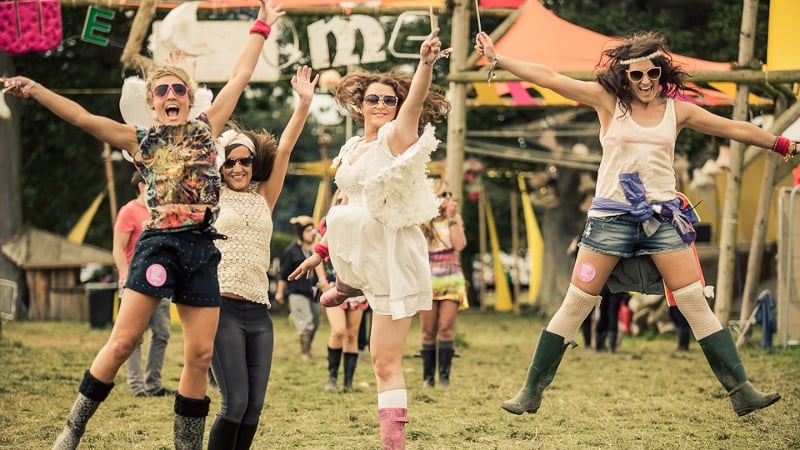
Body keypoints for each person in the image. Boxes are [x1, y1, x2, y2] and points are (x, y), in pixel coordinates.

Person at [3, 2, 284, 448]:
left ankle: (186, 445)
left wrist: (262, 25)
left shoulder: (208, 129)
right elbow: (80, 117)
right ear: (153, 102)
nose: (171, 95)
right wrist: (35, 87)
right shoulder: (140, 140)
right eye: (162, 91)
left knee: (200, 355)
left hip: (202, 249)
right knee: (122, 342)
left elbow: (241, 76)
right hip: (158, 247)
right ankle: (72, 428)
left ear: (189, 98)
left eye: (178, 89)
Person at [475, 30, 786, 417]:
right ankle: (530, 392)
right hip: (610, 220)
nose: (643, 83)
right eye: (635, 76)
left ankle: (741, 391)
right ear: (624, 76)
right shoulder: (608, 102)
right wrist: (499, 58)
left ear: (661, 73)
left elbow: (733, 128)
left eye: (651, 74)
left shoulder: (679, 110)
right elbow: (550, 77)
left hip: (662, 220)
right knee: (576, 303)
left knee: (692, 300)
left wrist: (783, 144)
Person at [288, 28, 451, 449]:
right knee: (346, 216)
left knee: (382, 360)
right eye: (373, 99)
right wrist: (319, 252)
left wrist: (426, 64)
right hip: (355, 252)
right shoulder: (353, 146)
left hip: (391, 256)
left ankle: (392, 444)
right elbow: (343, 202)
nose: (381, 105)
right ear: (359, 107)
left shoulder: (395, 139)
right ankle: (346, 283)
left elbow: (415, 103)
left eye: (388, 100)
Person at [207, 66, 317, 449]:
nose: (238, 168)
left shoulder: (262, 198)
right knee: (234, 402)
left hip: (259, 311)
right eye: (230, 162)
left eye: (245, 161)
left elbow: (284, 148)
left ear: (254, 165)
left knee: (253, 408)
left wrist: (303, 103)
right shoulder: (210, 198)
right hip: (221, 309)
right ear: (220, 166)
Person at [112, 171, 172, 398]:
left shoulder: (163, 211)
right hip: (135, 283)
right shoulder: (129, 211)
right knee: (133, 337)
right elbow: (118, 248)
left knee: (162, 333)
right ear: (141, 185)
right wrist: (125, 276)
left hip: (161, 282)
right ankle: (137, 387)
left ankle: (153, 385)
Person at [418, 180, 467, 389]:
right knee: (428, 331)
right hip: (428, 278)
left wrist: (452, 219)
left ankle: (444, 378)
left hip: (450, 277)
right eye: (443, 194)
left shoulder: (454, 219)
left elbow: (460, 245)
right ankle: (428, 378)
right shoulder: (421, 220)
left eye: (450, 193)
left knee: (446, 328)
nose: (447, 198)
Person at [318, 190, 369, 393]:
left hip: (356, 284)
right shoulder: (327, 222)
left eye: (347, 198)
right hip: (332, 284)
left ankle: (348, 382)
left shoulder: (361, 221)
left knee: (352, 334)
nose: (343, 202)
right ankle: (332, 378)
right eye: (339, 199)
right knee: (338, 330)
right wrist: (322, 281)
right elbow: (317, 252)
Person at [277, 215, 322, 361]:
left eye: (313, 230)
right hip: (297, 292)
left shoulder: (317, 250)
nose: (311, 234)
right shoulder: (292, 251)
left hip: (314, 292)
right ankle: (305, 353)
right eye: (308, 230)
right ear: (301, 232)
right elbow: (283, 274)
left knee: (314, 322)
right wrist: (279, 292)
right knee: (306, 321)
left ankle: (308, 348)